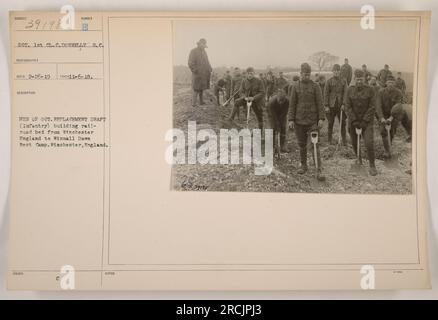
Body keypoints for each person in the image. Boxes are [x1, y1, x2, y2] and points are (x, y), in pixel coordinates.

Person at [288, 63, 326, 181]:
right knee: (302, 145)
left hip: (312, 121)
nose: (307, 77)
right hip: (299, 121)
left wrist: (321, 118)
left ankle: (318, 169)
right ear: (300, 74)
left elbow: (320, 103)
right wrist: (291, 119)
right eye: (304, 74)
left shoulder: (315, 86)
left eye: (308, 75)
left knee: (314, 144)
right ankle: (304, 165)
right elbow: (292, 104)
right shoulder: (295, 87)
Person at [344, 69, 378, 176]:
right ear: (354, 79)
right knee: (354, 141)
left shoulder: (370, 90)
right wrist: (354, 120)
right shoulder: (349, 90)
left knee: (368, 142)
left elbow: (372, 107)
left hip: (366, 122)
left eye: (361, 79)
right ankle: (358, 159)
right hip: (353, 122)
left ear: (364, 79)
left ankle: (372, 165)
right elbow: (347, 106)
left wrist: (364, 121)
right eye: (357, 79)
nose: (359, 81)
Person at [376, 75, 403, 158]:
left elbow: (398, 106)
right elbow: (378, 106)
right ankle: (387, 150)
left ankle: (389, 146)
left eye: (392, 82)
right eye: (389, 82)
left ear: (394, 83)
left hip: (394, 116)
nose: (390, 84)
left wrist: (391, 118)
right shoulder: (381, 92)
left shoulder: (398, 92)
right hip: (383, 115)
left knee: (391, 132)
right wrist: (382, 118)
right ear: (386, 83)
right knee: (383, 131)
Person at [324, 64, 348, 145]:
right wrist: (326, 105)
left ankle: (344, 141)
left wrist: (344, 104)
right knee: (330, 123)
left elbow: (345, 93)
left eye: (338, 70)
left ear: (340, 71)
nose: (336, 72)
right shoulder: (329, 81)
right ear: (332, 71)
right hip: (331, 106)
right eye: (335, 70)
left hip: (341, 106)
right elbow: (326, 94)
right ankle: (329, 140)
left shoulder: (344, 81)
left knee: (343, 123)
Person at [188, 38, 212, 107]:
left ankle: (201, 101)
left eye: (204, 45)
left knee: (202, 88)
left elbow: (207, 62)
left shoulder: (204, 52)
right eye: (203, 45)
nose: (204, 47)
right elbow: (190, 63)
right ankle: (194, 103)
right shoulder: (193, 51)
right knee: (196, 88)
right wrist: (195, 70)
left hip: (203, 74)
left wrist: (210, 68)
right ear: (199, 44)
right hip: (197, 74)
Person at [268, 87, 290, 153]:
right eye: (279, 101)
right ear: (277, 98)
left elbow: (284, 113)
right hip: (272, 115)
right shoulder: (271, 102)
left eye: (282, 101)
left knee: (283, 128)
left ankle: (282, 145)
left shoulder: (287, 101)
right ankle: (272, 147)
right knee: (273, 128)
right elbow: (273, 115)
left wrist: (280, 122)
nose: (280, 102)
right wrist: (277, 123)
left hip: (282, 115)